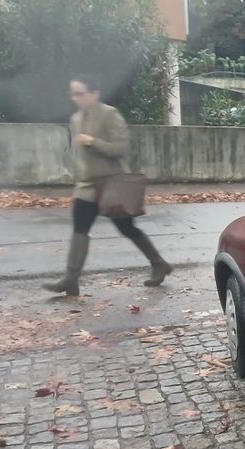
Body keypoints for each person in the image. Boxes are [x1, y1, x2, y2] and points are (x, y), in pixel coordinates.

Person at [44, 75, 172, 296]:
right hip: (87, 185)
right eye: (73, 94)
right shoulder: (75, 119)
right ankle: (71, 278)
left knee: (126, 228)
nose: (75, 98)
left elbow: (121, 147)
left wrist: (94, 142)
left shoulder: (109, 114)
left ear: (95, 93)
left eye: (80, 93)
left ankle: (159, 263)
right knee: (80, 228)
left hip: (112, 184)